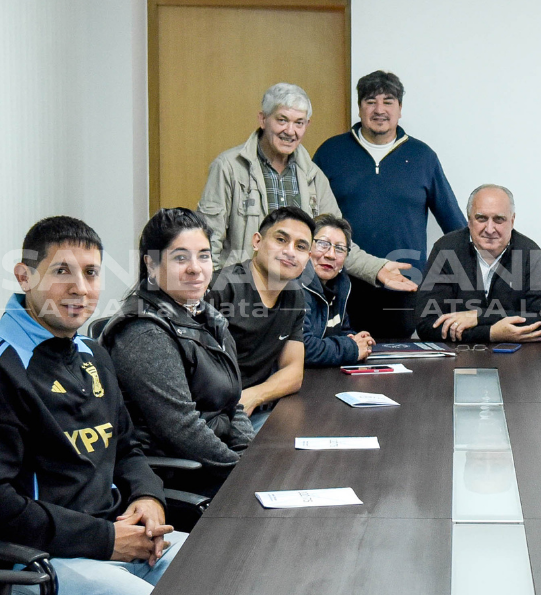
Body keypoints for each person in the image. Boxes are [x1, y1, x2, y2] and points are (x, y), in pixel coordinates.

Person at [0, 216, 185, 595]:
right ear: (24, 277)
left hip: (118, 538)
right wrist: (104, 540)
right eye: (61, 271)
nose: (80, 288)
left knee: (222, 566)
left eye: (91, 272)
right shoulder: (7, 367)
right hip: (41, 559)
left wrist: (148, 497)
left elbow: (127, 447)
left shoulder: (94, 355)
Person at [196, 82, 415, 288]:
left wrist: (377, 268)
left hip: (296, 296)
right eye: (282, 120)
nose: (290, 131)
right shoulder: (228, 167)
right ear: (263, 119)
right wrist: (212, 293)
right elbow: (207, 240)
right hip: (242, 293)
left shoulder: (314, 176)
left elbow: (337, 242)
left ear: (306, 125)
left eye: (298, 123)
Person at [101, 208, 254, 497]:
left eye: (204, 256)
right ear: (151, 264)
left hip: (217, 463)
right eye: (180, 258)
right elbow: (181, 429)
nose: (196, 268)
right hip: (181, 473)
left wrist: (248, 454)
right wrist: (240, 469)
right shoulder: (144, 333)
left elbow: (233, 403)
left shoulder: (208, 317)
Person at [313, 71, 467, 338]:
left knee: (399, 370)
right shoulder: (330, 153)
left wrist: (452, 285)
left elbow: (455, 227)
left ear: (400, 109)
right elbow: (311, 222)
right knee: (339, 362)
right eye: (371, 101)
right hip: (342, 286)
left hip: (403, 290)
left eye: (388, 101)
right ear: (359, 108)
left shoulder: (422, 157)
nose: (379, 110)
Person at [205, 206, 313, 432]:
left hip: (252, 409)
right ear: (257, 242)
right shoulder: (220, 289)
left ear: (307, 259)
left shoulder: (294, 295)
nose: (290, 251)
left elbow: (294, 372)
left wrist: (254, 396)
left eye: (301, 246)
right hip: (210, 418)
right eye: (281, 239)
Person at [414, 184, 541, 343]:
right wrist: (490, 333)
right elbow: (426, 324)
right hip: (458, 361)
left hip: (515, 361)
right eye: (481, 218)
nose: (490, 229)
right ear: (469, 220)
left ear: (512, 220)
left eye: (499, 219)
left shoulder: (529, 252)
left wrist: (479, 317)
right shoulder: (446, 249)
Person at [300, 214, 376, 366]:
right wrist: (352, 349)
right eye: (322, 244)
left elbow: (341, 331)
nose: (330, 255)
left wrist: (357, 339)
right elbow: (302, 348)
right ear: (307, 246)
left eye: (340, 249)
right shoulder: (296, 285)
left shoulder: (340, 285)